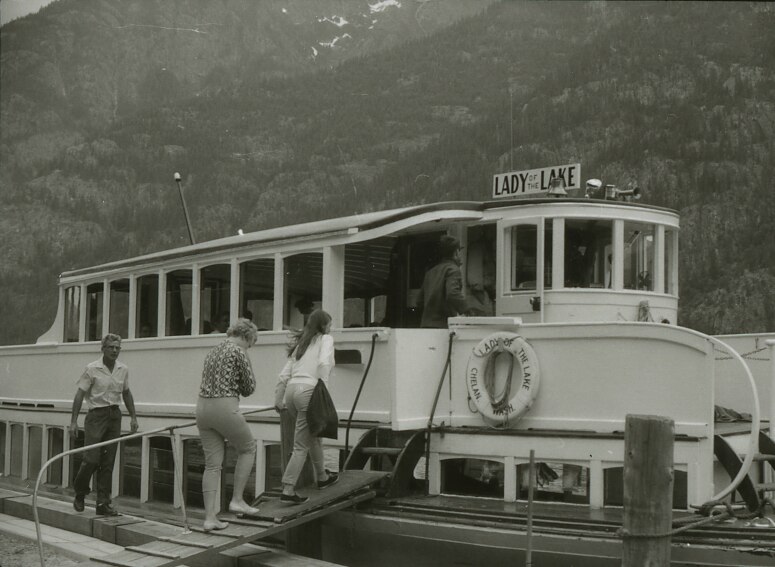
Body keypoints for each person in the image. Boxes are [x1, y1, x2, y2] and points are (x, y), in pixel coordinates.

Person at [196, 318, 260, 531]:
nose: (250, 346)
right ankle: (237, 499)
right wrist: (248, 360)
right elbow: (249, 388)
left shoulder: (213, 351)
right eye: (252, 342)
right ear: (247, 336)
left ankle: (209, 518)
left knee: (212, 464)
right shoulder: (238, 351)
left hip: (202, 409)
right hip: (224, 406)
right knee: (248, 448)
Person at [69, 333, 138, 516]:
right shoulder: (92, 368)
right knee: (91, 458)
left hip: (114, 416)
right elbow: (79, 395)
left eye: (117, 348)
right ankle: (80, 492)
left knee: (108, 462)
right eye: (111, 347)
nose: (115, 351)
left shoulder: (123, 369)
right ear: (103, 349)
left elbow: (126, 393)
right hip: (96, 416)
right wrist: (73, 421)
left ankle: (103, 504)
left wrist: (133, 417)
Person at [274, 309, 338, 504]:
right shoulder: (326, 339)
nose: (330, 327)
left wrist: (278, 397)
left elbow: (285, 372)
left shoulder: (303, 342)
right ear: (323, 325)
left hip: (292, 391)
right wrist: (323, 391)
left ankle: (322, 477)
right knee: (301, 444)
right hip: (309, 391)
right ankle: (288, 488)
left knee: (313, 436)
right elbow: (324, 363)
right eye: (329, 323)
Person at [417, 235, 467, 328]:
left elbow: (419, 301)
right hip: (442, 326)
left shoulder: (430, 272)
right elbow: (452, 293)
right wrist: (467, 311)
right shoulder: (453, 269)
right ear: (456, 252)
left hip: (426, 325)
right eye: (459, 251)